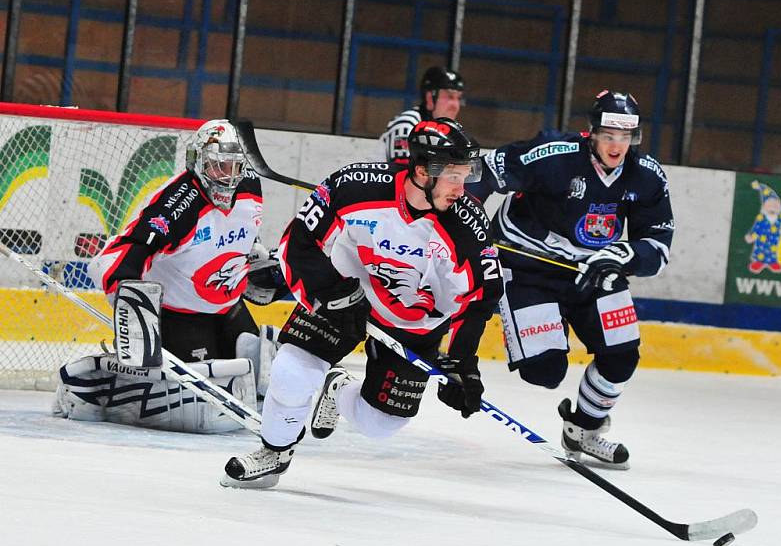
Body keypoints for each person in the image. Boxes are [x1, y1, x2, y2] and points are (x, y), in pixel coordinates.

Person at [222, 118, 504, 488]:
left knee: (380, 424)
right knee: (292, 372)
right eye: (453, 176)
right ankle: (274, 452)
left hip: (414, 322)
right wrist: (332, 293)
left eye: (465, 175)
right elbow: (299, 244)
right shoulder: (355, 185)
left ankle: (338, 389)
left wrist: (462, 365)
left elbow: (482, 297)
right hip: (344, 295)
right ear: (422, 171)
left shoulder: (467, 224)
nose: (461, 187)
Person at [468, 90, 674, 469]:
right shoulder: (554, 154)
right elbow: (488, 169)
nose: (617, 146)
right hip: (529, 267)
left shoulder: (646, 176)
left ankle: (583, 430)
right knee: (544, 372)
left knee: (622, 356)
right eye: (610, 135)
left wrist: (625, 255)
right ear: (592, 132)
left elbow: (658, 244)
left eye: (625, 137)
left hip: (592, 270)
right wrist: (462, 214)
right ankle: (541, 321)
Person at [53, 119, 288, 433]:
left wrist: (254, 252)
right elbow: (117, 258)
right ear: (197, 163)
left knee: (259, 373)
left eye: (234, 167)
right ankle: (91, 389)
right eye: (219, 167)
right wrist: (131, 303)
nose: (228, 177)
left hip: (229, 309)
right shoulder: (175, 206)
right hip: (181, 317)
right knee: (206, 398)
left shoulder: (250, 187)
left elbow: (237, 233)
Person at [379, 66, 465, 165]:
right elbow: (401, 174)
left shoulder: (449, 134)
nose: (455, 105)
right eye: (449, 97)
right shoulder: (406, 125)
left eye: (459, 98)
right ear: (429, 98)